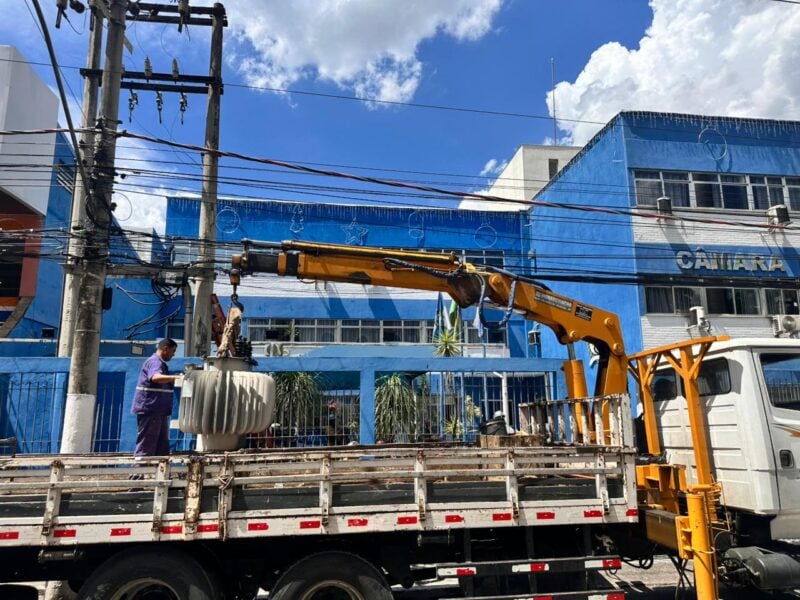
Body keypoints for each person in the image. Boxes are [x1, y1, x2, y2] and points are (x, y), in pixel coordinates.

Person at [132, 338, 180, 457]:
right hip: (151, 410)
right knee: (147, 445)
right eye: (173, 351)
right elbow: (155, 377)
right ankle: (140, 469)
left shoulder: (160, 363)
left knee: (161, 448)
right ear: (165, 349)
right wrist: (176, 378)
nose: (173, 355)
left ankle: (157, 468)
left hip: (158, 411)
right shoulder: (155, 362)